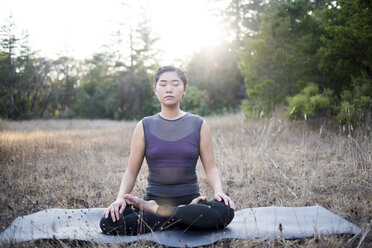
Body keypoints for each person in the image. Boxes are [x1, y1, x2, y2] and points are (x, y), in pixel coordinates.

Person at [100, 66, 234, 235]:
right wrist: (120, 198)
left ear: (184, 89)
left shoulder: (199, 124)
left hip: (190, 203)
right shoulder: (144, 125)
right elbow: (131, 171)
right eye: (163, 84)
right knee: (108, 222)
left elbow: (211, 168)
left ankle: (160, 213)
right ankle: (179, 218)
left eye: (175, 84)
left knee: (225, 211)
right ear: (155, 90)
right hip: (157, 202)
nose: (169, 89)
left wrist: (218, 192)